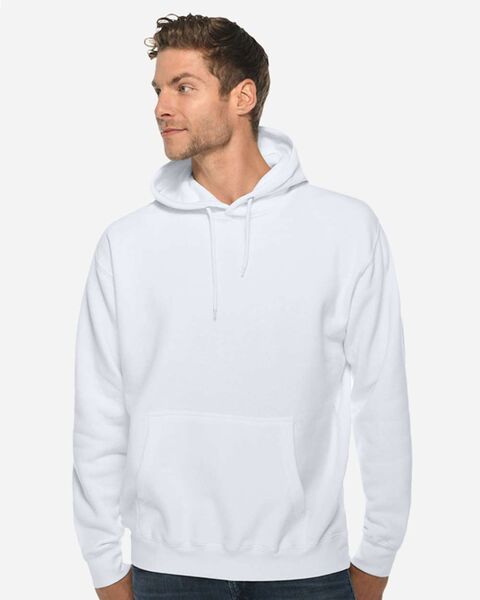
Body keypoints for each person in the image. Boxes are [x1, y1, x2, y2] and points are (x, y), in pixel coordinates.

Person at [72, 13, 412, 600]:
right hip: (166, 568)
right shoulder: (125, 245)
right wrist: (104, 566)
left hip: (307, 569)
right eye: (158, 89)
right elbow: (99, 411)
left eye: (183, 87)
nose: (162, 107)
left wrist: (378, 557)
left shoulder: (345, 230)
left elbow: (381, 399)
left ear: (242, 98)